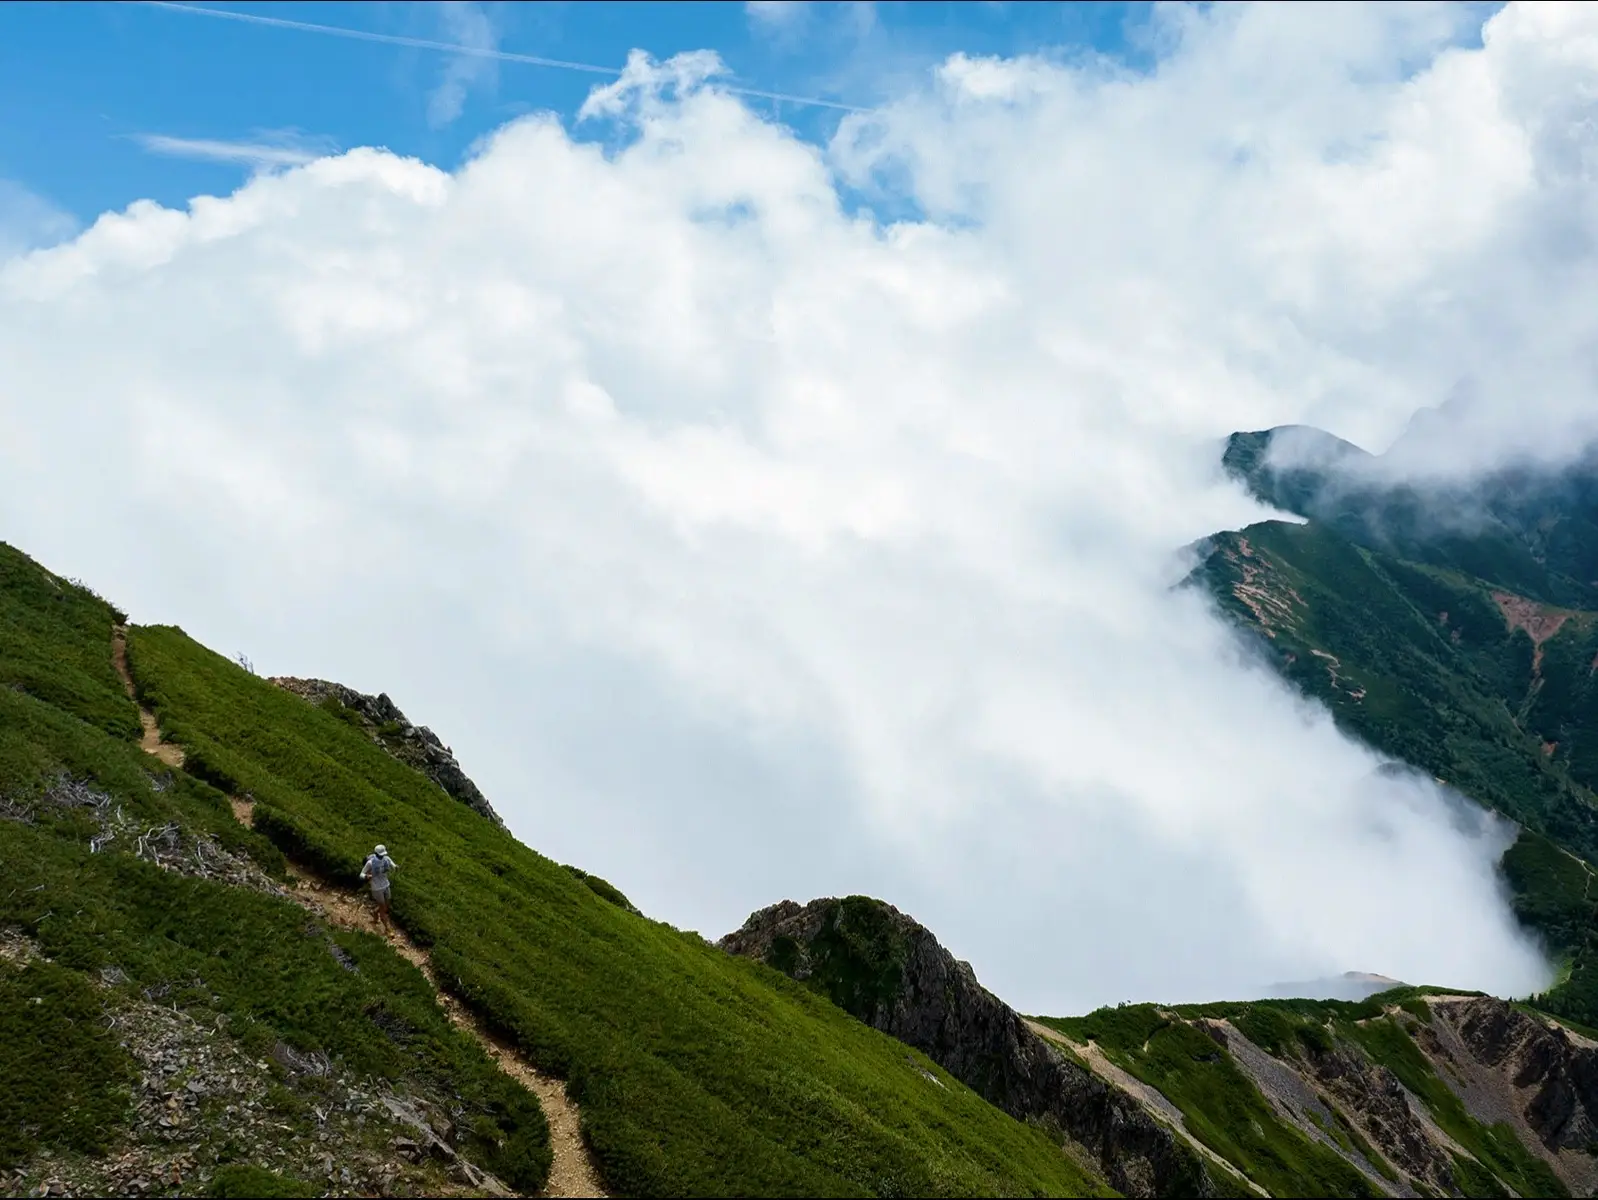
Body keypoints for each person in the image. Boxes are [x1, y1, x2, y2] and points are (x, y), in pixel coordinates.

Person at [359, 843, 397, 930]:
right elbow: (361, 874)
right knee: (383, 909)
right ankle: (388, 929)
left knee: (386, 905)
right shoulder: (370, 863)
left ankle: (375, 912)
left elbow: (391, 862)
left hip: (386, 884)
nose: (382, 857)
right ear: (376, 854)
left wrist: (395, 866)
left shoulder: (385, 859)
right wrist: (366, 876)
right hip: (377, 888)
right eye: (380, 855)